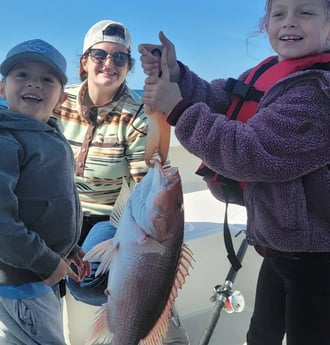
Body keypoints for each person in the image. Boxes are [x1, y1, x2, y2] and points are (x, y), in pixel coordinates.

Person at [139, 0, 330, 344]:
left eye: (305, 12)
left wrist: (179, 110)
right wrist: (178, 75)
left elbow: (253, 154)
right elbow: (222, 100)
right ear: (266, 25)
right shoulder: (270, 73)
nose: (289, 22)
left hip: (318, 257)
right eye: (279, 14)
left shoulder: (319, 93)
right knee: (262, 334)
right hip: (276, 245)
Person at [53, 19, 190, 344]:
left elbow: (146, 176)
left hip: (101, 216)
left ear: (129, 67)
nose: (109, 64)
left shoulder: (136, 112)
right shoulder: (57, 99)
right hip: (57, 210)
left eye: (119, 58)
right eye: (100, 54)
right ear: (84, 62)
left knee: (83, 281)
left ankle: (150, 305)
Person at [0, 39, 90, 345]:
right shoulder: (6, 141)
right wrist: (46, 261)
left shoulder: (51, 134)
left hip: (44, 270)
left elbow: (54, 201)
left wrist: (68, 249)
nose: (34, 84)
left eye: (46, 79)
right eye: (22, 74)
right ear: (2, 89)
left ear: (61, 98)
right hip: (21, 280)